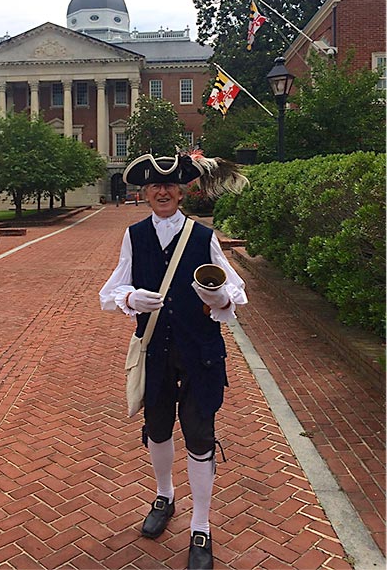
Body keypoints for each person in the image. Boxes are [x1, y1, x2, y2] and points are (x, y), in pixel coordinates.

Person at [99, 151, 249, 569]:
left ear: (182, 191)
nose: (162, 191)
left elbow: (236, 291)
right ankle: (164, 496)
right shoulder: (135, 235)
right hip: (156, 351)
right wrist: (130, 297)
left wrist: (219, 298)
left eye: (169, 185)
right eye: (154, 185)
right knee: (159, 428)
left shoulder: (202, 237)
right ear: (144, 192)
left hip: (199, 351)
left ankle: (201, 526)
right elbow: (109, 291)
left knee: (200, 436)